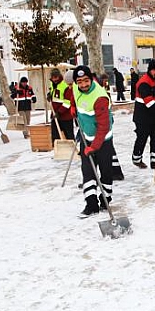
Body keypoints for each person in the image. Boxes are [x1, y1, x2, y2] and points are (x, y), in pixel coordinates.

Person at [65, 66, 116, 217]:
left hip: (103, 139)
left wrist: (94, 147)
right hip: (86, 136)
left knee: (105, 172)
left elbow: (103, 127)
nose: (83, 85)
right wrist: (73, 107)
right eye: (80, 81)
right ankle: (91, 204)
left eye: (86, 81)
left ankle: (105, 199)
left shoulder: (99, 97)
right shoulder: (75, 86)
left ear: (91, 79)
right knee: (87, 171)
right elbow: (74, 95)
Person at [132, 59, 155, 169]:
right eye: (154, 70)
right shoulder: (143, 82)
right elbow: (149, 102)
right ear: (149, 70)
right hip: (143, 115)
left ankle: (154, 162)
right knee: (142, 137)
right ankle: (137, 159)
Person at [47, 68, 75, 142]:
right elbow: (55, 97)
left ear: (59, 76)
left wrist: (59, 112)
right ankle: (58, 149)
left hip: (65, 116)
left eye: (56, 77)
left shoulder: (65, 85)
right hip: (55, 115)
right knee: (55, 136)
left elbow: (67, 102)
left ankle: (72, 149)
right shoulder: (52, 84)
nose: (54, 79)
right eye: (53, 78)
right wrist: (50, 95)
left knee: (69, 136)